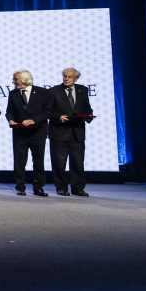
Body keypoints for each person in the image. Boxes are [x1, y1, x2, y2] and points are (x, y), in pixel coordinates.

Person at [5, 70, 53, 196]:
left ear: (25, 80)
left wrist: (34, 121)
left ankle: (38, 187)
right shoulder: (13, 94)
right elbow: (9, 111)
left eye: (15, 79)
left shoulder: (43, 92)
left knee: (38, 160)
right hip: (20, 132)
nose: (13, 81)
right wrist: (10, 120)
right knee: (19, 161)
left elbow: (48, 111)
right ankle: (20, 187)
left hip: (38, 132)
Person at [48, 68, 93, 197]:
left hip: (77, 131)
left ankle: (77, 188)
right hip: (59, 131)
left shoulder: (83, 90)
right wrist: (58, 117)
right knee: (59, 162)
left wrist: (89, 114)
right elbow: (48, 110)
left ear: (76, 79)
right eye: (64, 76)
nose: (66, 79)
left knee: (78, 161)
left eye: (69, 77)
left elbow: (86, 106)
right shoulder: (54, 91)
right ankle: (61, 187)